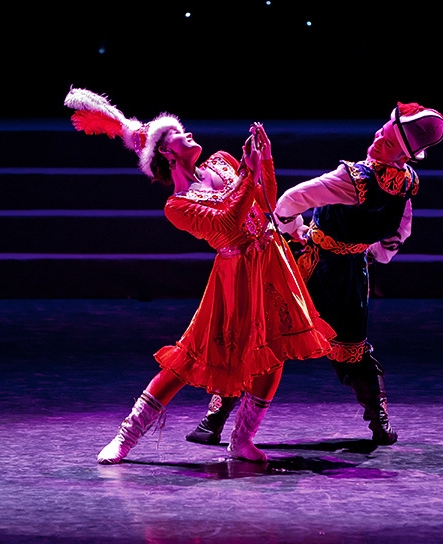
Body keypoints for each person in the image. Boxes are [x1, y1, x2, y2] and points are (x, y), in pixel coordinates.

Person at [63, 87, 334, 464]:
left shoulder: (222, 162)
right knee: (189, 358)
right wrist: (250, 175)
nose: (187, 132)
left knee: (274, 351)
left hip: (271, 263)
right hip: (236, 277)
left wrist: (265, 161)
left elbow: (266, 203)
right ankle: (125, 438)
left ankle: (242, 439)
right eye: (177, 133)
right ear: (165, 151)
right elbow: (227, 225)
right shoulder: (178, 205)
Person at [186, 102, 443, 447]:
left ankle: (214, 420)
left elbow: (292, 199)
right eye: (381, 132)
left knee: (264, 335)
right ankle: (379, 422)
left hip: (309, 267)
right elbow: (399, 231)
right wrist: (371, 253)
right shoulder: (407, 183)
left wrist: (293, 230)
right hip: (351, 276)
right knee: (351, 348)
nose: (377, 138)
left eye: (386, 141)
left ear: (402, 154)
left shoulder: (354, 178)